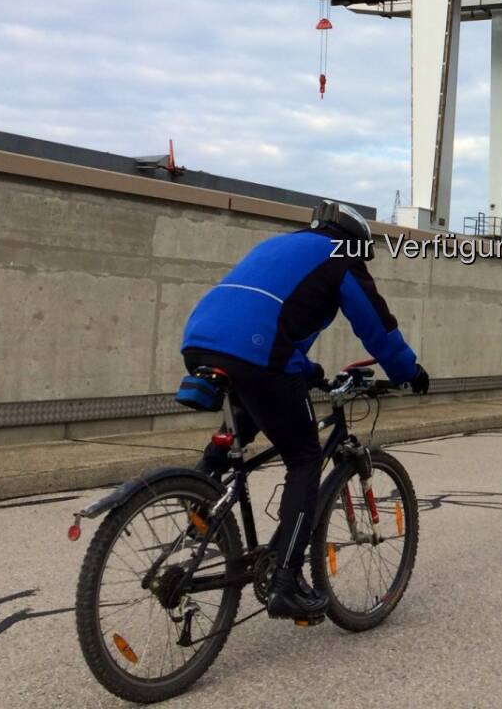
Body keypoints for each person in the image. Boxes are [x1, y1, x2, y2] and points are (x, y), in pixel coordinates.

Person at [181, 199, 430, 620]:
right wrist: (409, 371)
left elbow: (270, 313)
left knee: (245, 423)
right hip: (259, 352)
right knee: (304, 457)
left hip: (201, 340)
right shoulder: (342, 255)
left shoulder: (281, 246)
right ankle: (286, 580)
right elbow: (377, 328)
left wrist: (306, 369)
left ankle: (199, 502)